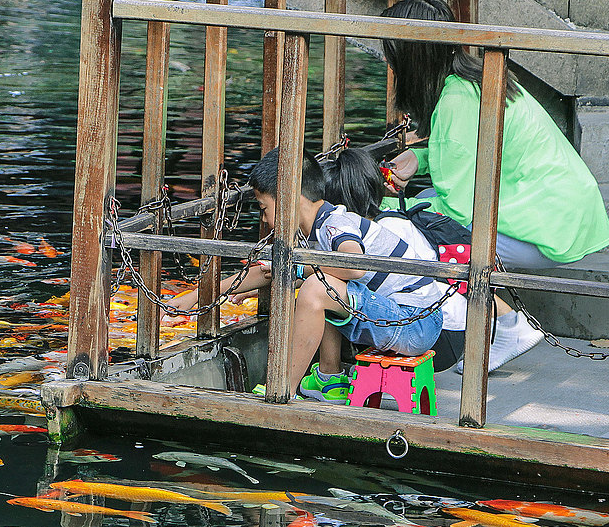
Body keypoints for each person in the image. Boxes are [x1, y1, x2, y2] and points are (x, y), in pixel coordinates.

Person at [379, 0, 609, 369]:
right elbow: (462, 152)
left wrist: (383, 212)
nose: (390, 64)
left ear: (412, 57)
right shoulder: (473, 77)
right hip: (560, 211)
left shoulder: (454, 99)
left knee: (416, 233)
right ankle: (501, 323)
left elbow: (456, 208)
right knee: (422, 209)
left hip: (545, 226)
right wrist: (418, 158)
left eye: (393, 55)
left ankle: (506, 321)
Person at [170, 148, 445, 402]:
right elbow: (267, 274)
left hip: (415, 321)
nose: (264, 221)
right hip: (403, 318)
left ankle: (283, 388)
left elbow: (354, 264)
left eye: (264, 209)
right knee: (320, 287)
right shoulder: (309, 235)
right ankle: (329, 380)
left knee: (316, 288)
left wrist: (302, 269)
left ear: (290, 198)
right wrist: (195, 296)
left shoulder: (335, 224)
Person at [322, 147, 465, 373]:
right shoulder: (387, 220)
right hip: (443, 325)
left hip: (440, 334)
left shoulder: (383, 229)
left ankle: (330, 373)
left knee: (330, 292)